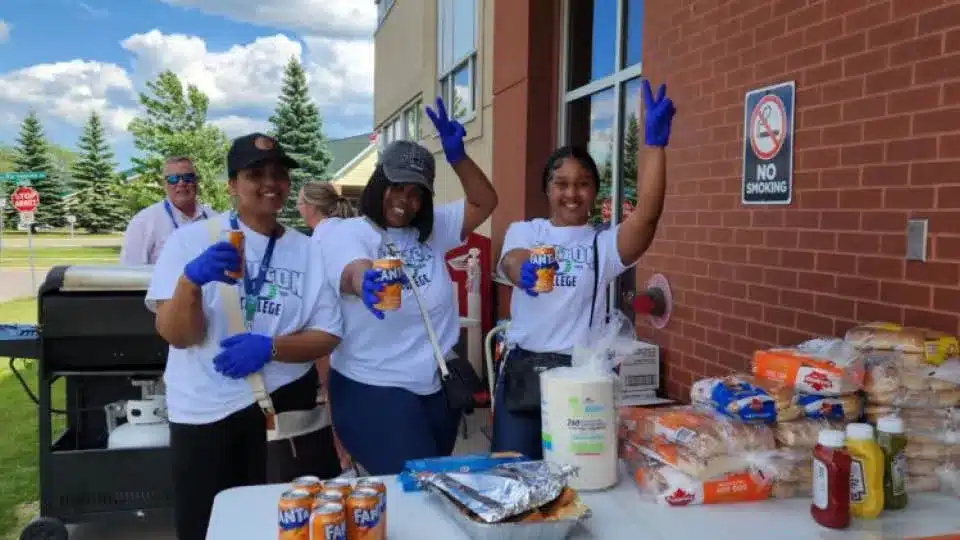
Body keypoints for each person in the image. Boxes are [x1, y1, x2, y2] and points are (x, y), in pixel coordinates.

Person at [145, 133, 344, 540]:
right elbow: (177, 335)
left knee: (283, 525)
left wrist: (270, 348)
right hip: (204, 410)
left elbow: (328, 334)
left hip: (282, 411)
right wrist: (191, 281)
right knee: (209, 527)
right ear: (232, 185)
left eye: (279, 174)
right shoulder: (191, 240)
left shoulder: (306, 251)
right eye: (255, 174)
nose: (270, 183)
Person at [491, 80, 676, 459]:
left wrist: (655, 148)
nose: (571, 194)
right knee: (511, 472)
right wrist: (521, 270)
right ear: (547, 188)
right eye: (561, 184)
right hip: (524, 371)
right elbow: (512, 259)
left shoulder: (602, 245)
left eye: (583, 184)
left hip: (580, 377)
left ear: (595, 191)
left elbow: (647, 217)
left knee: (576, 476)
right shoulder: (527, 231)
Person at [319, 97, 498, 475]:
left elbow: (485, 202)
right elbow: (353, 268)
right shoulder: (346, 231)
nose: (406, 200)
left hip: (436, 388)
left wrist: (458, 157)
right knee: (420, 485)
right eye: (397, 187)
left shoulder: (430, 233)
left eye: (417, 192)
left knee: (423, 492)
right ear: (379, 182)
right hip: (372, 387)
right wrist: (364, 280)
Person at [296, 180, 357, 469]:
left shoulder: (314, 243)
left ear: (309, 207)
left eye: (299, 201)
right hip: (360, 326)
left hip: (329, 328)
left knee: (332, 393)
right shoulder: (352, 231)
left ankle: (343, 457)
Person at [120, 156, 216, 265]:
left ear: (196, 181)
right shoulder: (144, 222)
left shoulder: (213, 218)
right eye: (173, 179)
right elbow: (130, 274)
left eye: (187, 177)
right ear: (164, 184)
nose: (181, 183)